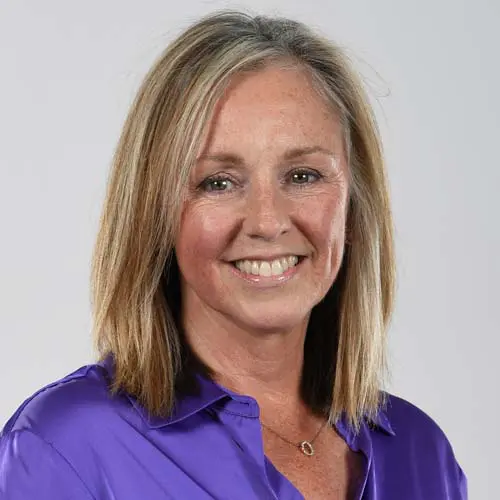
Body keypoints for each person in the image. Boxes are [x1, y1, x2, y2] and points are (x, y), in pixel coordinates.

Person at [0, 10, 467, 500]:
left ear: (354, 206)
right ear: (154, 212)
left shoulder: (422, 455)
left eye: (303, 176)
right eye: (218, 182)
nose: (266, 221)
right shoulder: (65, 448)